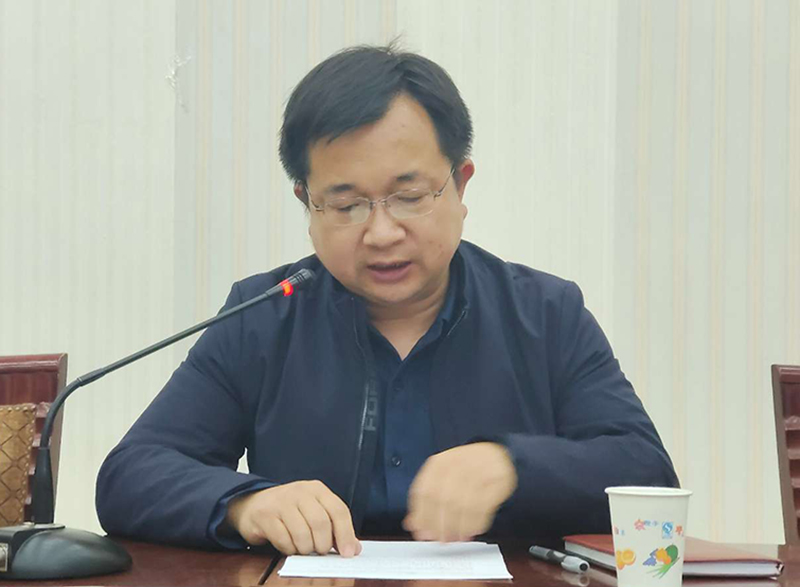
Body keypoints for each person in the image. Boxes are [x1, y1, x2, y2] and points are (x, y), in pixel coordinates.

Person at [96, 44, 678, 557]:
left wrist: (514, 466)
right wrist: (245, 504)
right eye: (346, 205)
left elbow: (647, 474)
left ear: (461, 186)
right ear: (307, 204)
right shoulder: (264, 315)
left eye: (409, 196)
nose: (380, 233)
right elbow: (131, 475)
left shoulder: (546, 314)